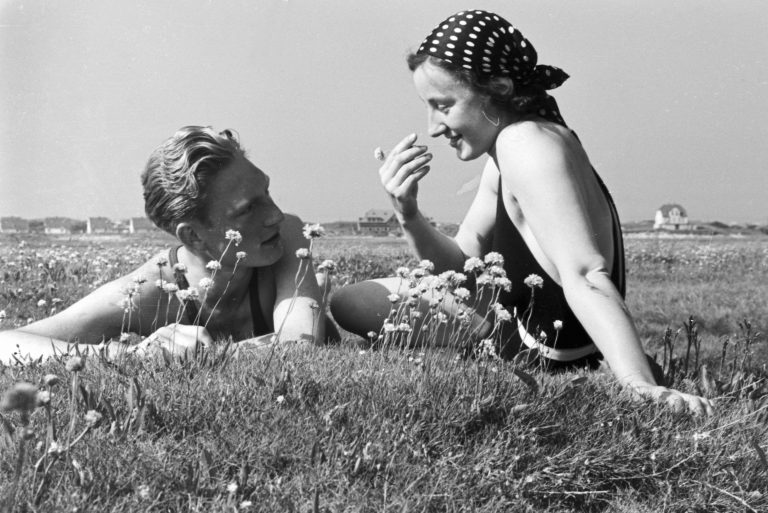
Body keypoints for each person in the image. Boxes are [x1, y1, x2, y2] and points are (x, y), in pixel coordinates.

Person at [331, 10, 713, 415]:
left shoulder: (525, 145)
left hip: (544, 348)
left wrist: (639, 383)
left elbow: (586, 272)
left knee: (357, 305)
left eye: (443, 106)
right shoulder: (519, 145)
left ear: (498, 88)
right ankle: (480, 342)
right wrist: (408, 213)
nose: (433, 127)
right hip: (526, 328)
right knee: (350, 302)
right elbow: (460, 265)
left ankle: (602, 363)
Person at [0, 126, 330, 364]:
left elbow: (300, 346)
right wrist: (132, 355)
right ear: (193, 237)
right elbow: (7, 343)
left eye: (266, 192)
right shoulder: (149, 291)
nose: (275, 215)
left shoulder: (287, 234)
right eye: (247, 209)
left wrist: (207, 355)